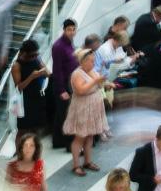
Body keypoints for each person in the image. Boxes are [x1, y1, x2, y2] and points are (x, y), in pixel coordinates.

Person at [63, 48, 109, 176]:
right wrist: (95, 81)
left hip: (93, 106)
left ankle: (88, 162)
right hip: (82, 107)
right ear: (82, 62)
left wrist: (105, 83)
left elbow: (99, 84)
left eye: (94, 61)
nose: (93, 64)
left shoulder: (92, 71)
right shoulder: (77, 74)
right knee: (80, 137)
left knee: (90, 136)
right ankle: (76, 165)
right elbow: (80, 91)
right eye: (90, 61)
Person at [11, 39, 51, 143]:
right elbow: (19, 87)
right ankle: (20, 155)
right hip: (24, 101)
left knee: (36, 128)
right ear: (24, 53)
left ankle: (34, 153)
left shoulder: (36, 59)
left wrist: (44, 71)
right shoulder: (17, 65)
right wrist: (31, 77)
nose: (34, 57)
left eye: (36, 54)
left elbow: (48, 73)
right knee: (22, 130)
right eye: (32, 55)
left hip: (37, 97)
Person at [51, 18, 77, 149]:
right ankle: (63, 142)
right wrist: (62, 90)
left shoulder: (69, 43)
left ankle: (60, 141)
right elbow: (58, 70)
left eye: (73, 29)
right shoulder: (58, 46)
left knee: (63, 114)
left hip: (70, 83)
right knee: (63, 115)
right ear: (64, 30)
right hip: (63, 84)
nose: (71, 32)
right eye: (69, 30)